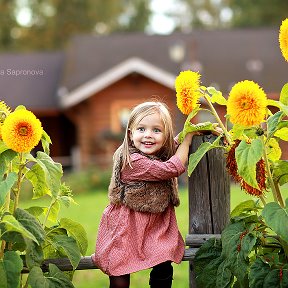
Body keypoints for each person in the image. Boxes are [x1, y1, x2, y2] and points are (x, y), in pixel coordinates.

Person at [92, 101, 200, 288]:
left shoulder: (155, 153)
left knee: (163, 260)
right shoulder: (132, 160)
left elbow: (173, 147)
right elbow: (171, 168)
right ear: (130, 133)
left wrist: (191, 132)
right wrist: (188, 139)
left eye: (156, 130)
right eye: (141, 129)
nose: (148, 135)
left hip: (154, 224)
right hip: (127, 224)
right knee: (120, 270)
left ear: (165, 135)